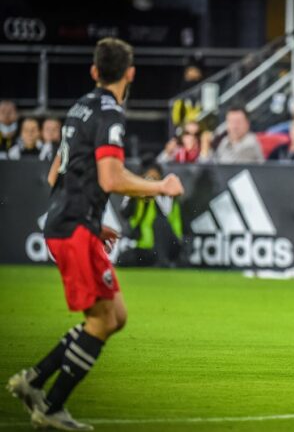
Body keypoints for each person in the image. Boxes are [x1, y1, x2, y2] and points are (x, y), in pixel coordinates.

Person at [6, 37, 184, 431]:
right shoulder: (110, 114)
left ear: (94, 71)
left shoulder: (78, 107)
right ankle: (50, 407)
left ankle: (32, 381)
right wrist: (161, 187)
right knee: (102, 322)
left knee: (114, 316)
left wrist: (87, 216)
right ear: (131, 73)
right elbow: (111, 177)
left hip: (70, 222)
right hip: (73, 228)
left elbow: (56, 172)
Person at [199, 107, 265, 164]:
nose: (234, 126)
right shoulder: (225, 141)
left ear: (247, 124)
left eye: (238, 122)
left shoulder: (251, 143)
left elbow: (230, 167)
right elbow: (208, 165)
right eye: (231, 122)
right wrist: (205, 149)